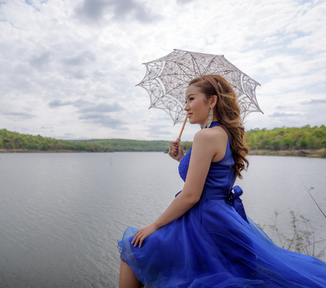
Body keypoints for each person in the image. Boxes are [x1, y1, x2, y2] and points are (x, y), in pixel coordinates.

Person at [117, 74, 326, 288]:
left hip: (202, 221)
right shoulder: (223, 134)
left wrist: (154, 225)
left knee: (132, 252)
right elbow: (213, 176)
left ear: (212, 101)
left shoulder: (205, 137)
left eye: (191, 99)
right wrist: (181, 159)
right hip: (221, 218)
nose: (185, 106)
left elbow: (191, 195)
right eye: (185, 101)